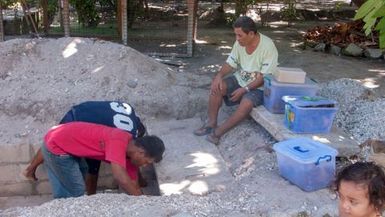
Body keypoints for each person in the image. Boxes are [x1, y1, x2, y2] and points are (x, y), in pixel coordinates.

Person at [23, 101, 146, 195]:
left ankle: (31, 169)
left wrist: (140, 181)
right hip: (80, 120)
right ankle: (30, 169)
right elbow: (126, 168)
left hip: (84, 110)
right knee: (59, 144)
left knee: (55, 140)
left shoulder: (131, 123)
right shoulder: (121, 139)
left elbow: (132, 163)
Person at [193, 16, 278, 144]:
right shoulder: (239, 43)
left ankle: (218, 133)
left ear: (251, 34)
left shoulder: (268, 46)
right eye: (235, 35)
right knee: (217, 87)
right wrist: (219, 76)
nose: (237, 39)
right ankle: (211, 124)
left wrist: (244, 90)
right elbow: (230, 64)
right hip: (240, 79)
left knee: (246, 104)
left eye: (239, 35)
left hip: (260, 86)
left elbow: (264, 77)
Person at [42, 121, 165, 198]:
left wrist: (143, 200)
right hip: (56, 144)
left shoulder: (130, 154)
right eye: (147, 162)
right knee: (76, 189)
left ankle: (62, 198)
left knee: (77, 176)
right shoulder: (118, 141)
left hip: (63, 138)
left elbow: (133, 184)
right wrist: (142, 202)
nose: (144, 166)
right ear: (141, 153)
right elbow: (120, 178)